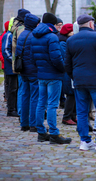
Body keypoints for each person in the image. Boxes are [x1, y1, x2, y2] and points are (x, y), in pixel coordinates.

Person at [65, 14, 96, 152]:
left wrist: (74, 76)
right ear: (91, 24)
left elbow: (67, 64)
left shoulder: (71, 40)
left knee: (81, 111)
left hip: (79, 80)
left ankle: (85, 141)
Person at [31, 12, 71, 144]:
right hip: (53, 75)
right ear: (52, 24)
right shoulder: (52, 37)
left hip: (41, 74)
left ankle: (41, 132)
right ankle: (54, 133)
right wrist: (62, 69)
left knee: (41, 103)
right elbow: (57, 58)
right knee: (53, 104)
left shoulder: (34, 35)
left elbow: (32, 57)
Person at [16, 14, 40, 132]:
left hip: (23, 70)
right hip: (33, 70)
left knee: (25, 95)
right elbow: (35, 54)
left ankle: (24, 122)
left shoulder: (22, 35)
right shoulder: (33, 36)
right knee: (34, 96)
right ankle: (33, 124)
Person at [58, 23, 76, 125]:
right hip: (67, 72)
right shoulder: (63, 43)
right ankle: (67, 116)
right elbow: (66, 58)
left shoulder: (67, 41)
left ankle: (73, 115)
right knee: (70, 93)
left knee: (74, 94)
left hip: (71, 71)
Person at [2, 19, 20, 117]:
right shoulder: (8, 35)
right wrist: (14, 61)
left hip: (15, 67)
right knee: (12, 89)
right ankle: (11, 109)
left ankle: (15, 108)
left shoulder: (14, 34)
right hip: (10, 68)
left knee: (16, 88)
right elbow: (5, 51)